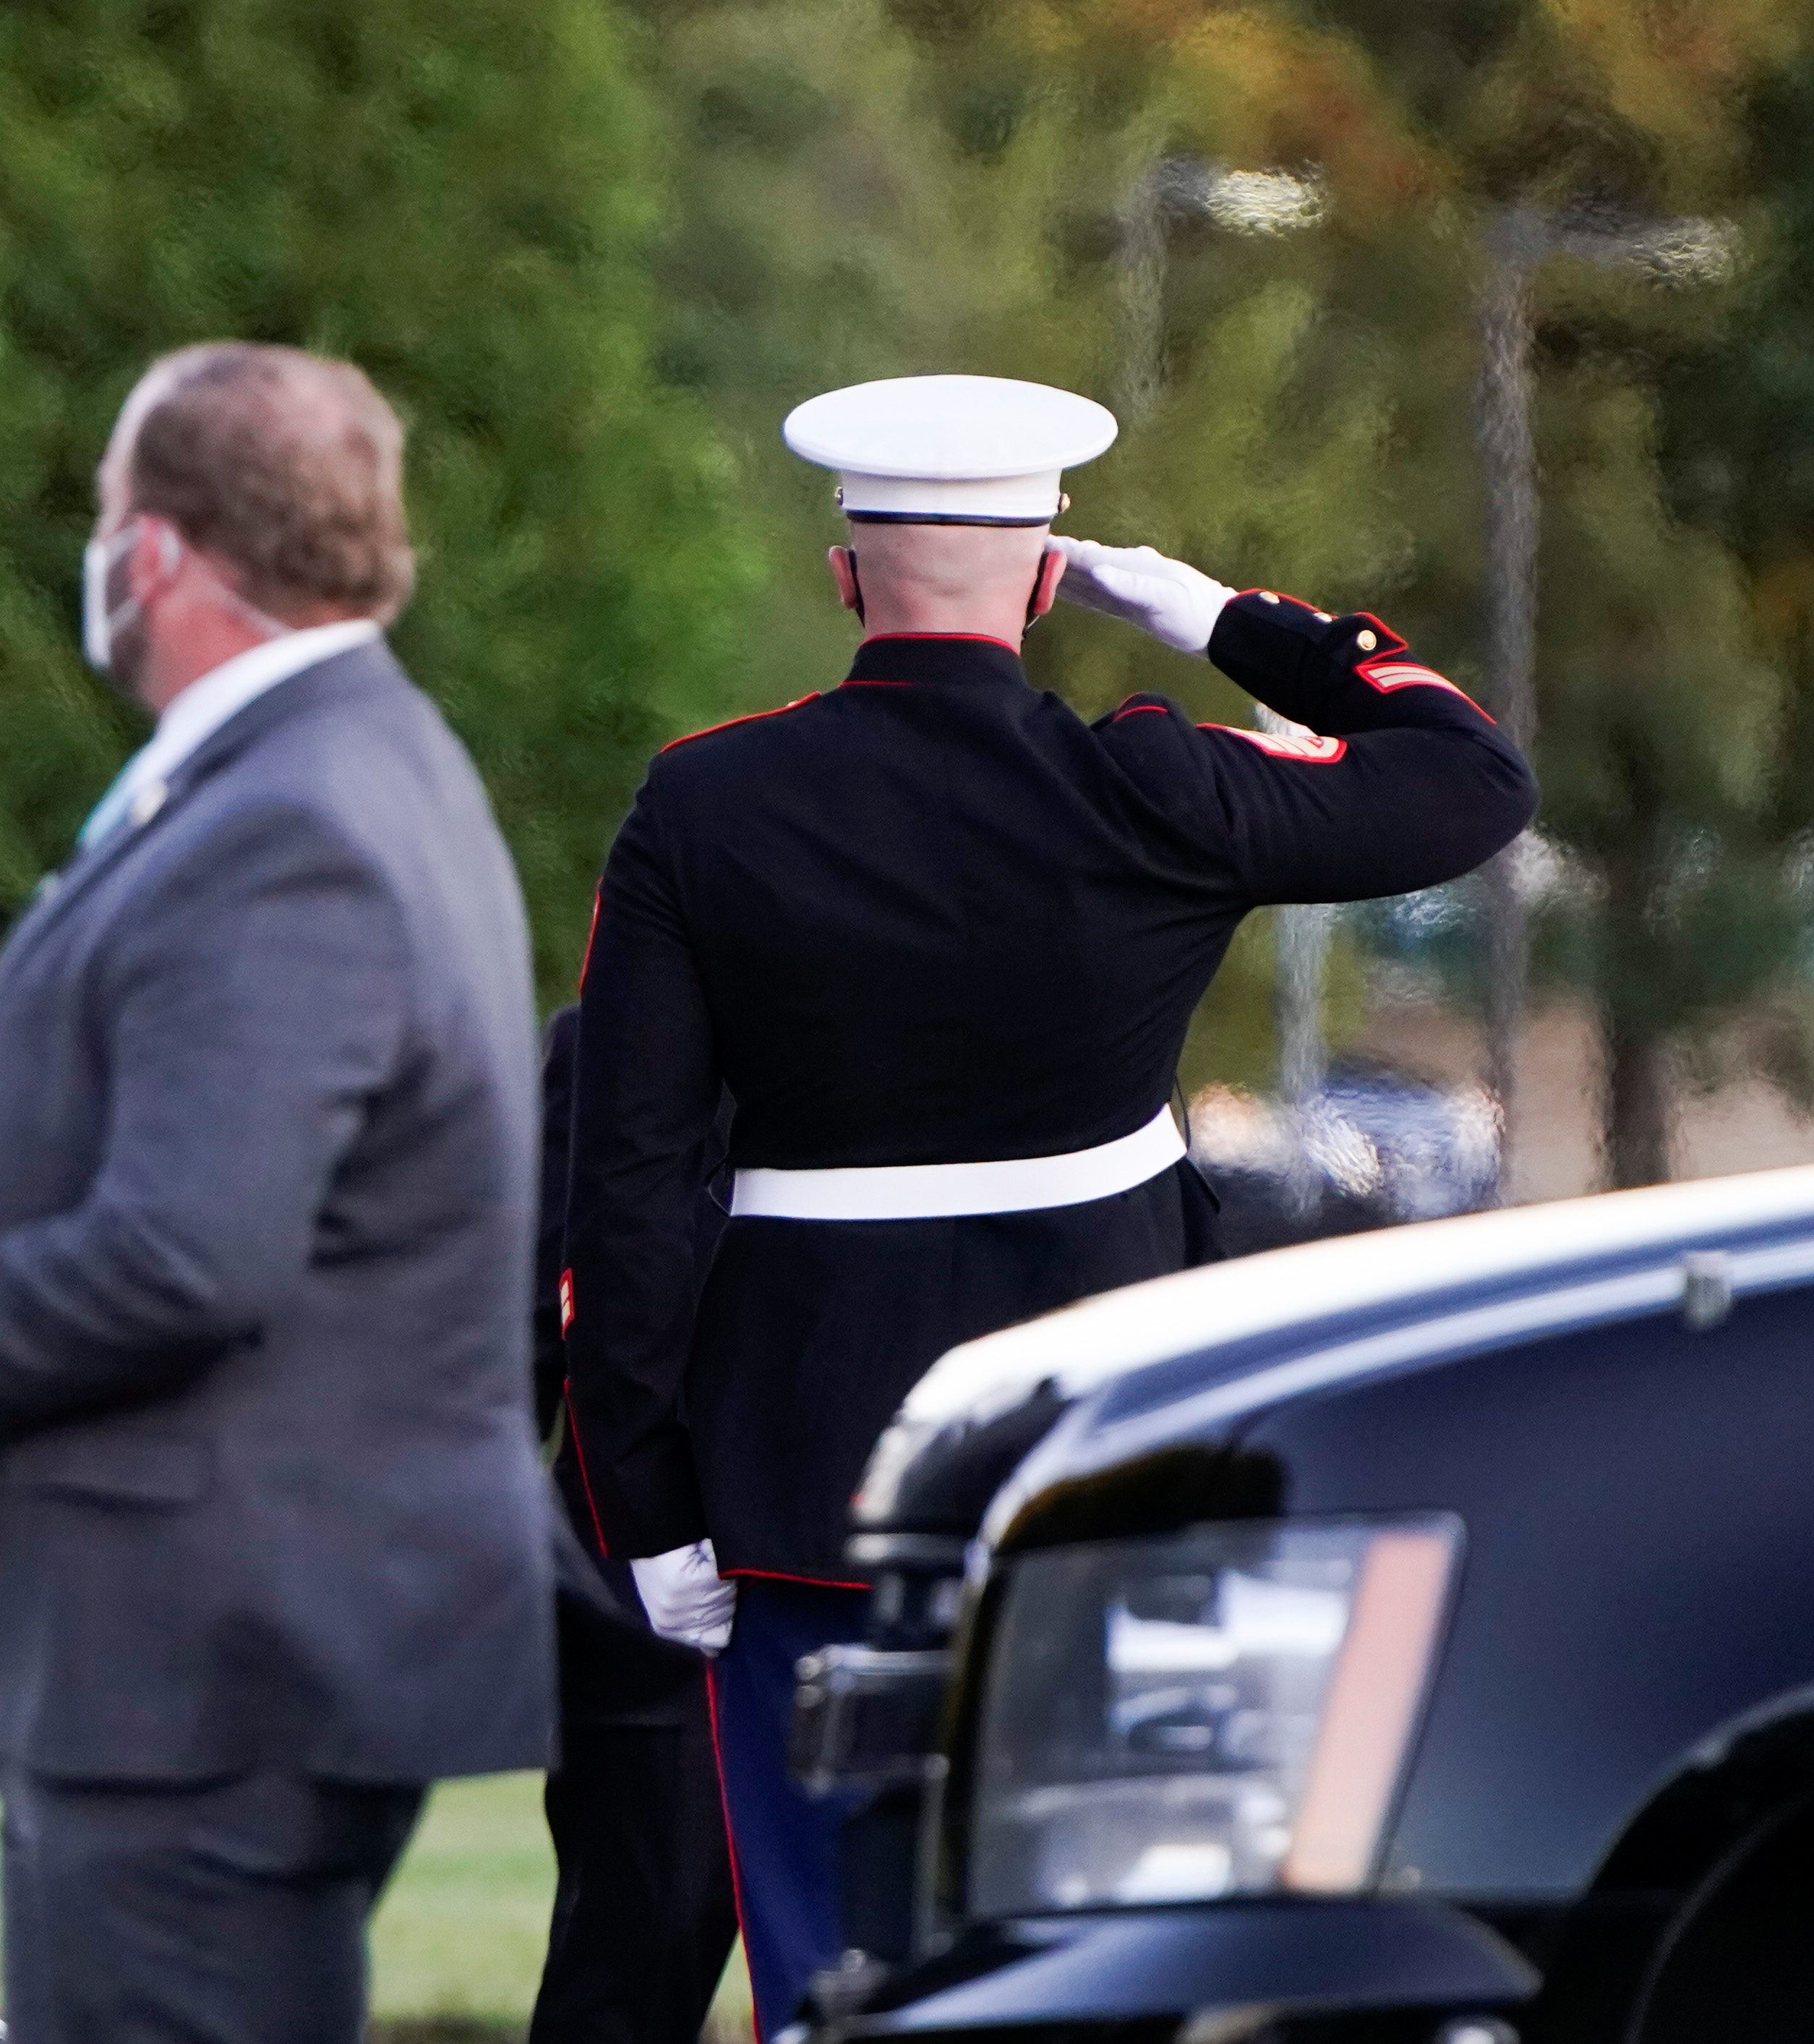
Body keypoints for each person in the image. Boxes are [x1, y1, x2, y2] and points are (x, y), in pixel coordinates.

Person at [560, 374, 1538, 2035]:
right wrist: (1227, 614)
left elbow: (631, 1188)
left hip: (802, 1483)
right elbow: (1466, 778)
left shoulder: (706, 802)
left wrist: (644, 1505)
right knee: (1089, 1961)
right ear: (1040, 580)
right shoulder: (1156, 786)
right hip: (1105, 1459)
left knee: (832, 1969)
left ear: (841, 574)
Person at [0, 344, 555, 2044]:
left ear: (155, 552)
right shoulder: (345, 756)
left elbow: (192, 1255)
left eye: (103, 517)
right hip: (233, 1620)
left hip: (209, 1645)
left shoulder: (290, 818)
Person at [522, 1010, 737, 2044]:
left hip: (849, 1538)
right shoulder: (604, 1043)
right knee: (638, 1948)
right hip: (640, 1581)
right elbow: (529, 1315)